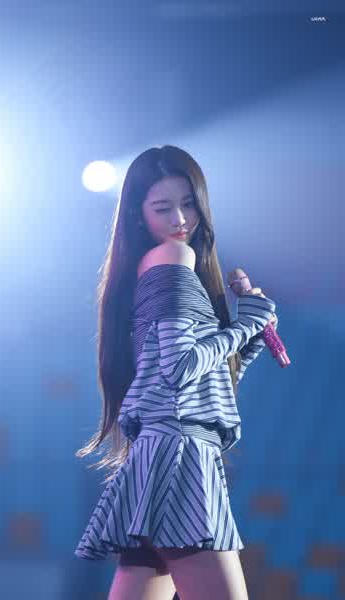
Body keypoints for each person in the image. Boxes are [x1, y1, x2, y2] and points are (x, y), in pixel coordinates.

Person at [74, 145, 278, 600]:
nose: (180, 219)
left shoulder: (151, 266)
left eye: (188, 204)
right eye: (163, 208)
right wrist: (245, 325)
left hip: (160, 452)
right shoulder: (173, 258)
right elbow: (181, 368)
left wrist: (248, 342)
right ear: (138, 213)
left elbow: (200, 384)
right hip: (182, 458)